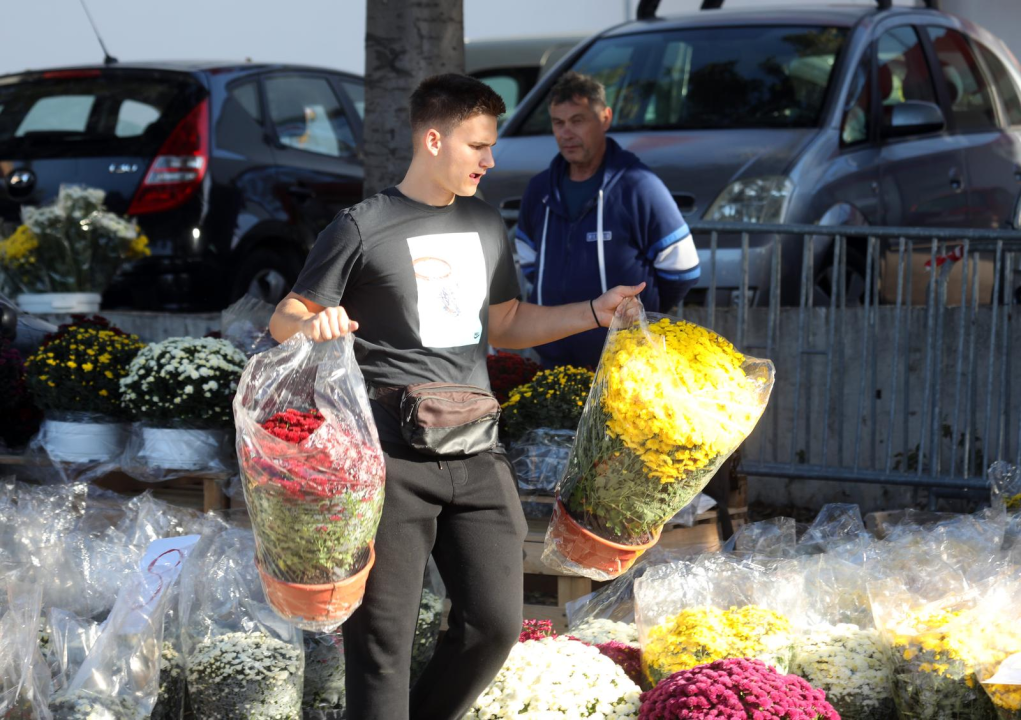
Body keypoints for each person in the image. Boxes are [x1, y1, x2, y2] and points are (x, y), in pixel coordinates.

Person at [268, 73, 645, 720]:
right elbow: (284, 317)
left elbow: (504, 322)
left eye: (490, 146)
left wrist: (593, 311)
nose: (489, 160)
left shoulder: (483, 223)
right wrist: (312, 324)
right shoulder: (362, 226)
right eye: (477, 146)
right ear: (434, 139)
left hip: (477, 452)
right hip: (389, 458)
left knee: (493, 626)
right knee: (381, 642)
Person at [516, 71, 700, 368]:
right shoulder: (539, 189)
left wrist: (644, 311)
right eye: (558, 122)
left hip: (626, 366)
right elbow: (529, 261)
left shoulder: (639, 185)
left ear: (605, 118)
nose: (566, 133)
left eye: (578, 120)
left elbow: (683, 269)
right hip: (553, 366)